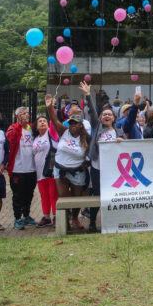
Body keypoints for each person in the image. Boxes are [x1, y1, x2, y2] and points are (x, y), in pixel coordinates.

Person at [83, 82, 137, 232]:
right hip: (98, 168)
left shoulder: (119, 132)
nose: (107, 116)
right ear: (100, 118)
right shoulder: (97, 126)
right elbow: (93, 112)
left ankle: (115, 222)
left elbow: (126, 149)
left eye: (109, 115)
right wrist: (88, 95)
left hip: (115, 171)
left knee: (115, 195)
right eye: (104, 114)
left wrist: (121, 142)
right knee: (98, 195)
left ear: (114, 118)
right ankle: (93, 222)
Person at [45, 94, 90, 230]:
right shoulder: (64, 131)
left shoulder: (86, 137)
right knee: (63, 197)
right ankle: (64, 221)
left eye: (76, 123)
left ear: (81, 125)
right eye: (71, 123)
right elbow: (54, 120)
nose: (73, 125)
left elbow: (94, 151)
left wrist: (86, 164)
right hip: (61, 169)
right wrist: (50, 108)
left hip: (77, 171)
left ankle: (75, 219)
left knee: (76, 198)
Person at [6, 106, 38, 230]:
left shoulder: (31, 128)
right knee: (18, 195)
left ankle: (27, 215)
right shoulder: (13, 128)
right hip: (17, 169)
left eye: (27, 113)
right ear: (17, 116)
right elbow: (10, 139)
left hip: (31, 168)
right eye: (23, 113)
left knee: (29, 194)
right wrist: (19, 125)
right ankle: (17, 218)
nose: (26, 115)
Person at [31, 115, 57, 227]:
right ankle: (46, 217)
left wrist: (51, 107)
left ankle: (56, 216)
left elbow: (54, 122)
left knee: (53, 194)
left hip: (50, 170)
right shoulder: (35, 139)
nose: (42, 123)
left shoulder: (50, 134)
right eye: (40, 121)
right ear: (36, 126)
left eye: (44, 121)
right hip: (39, 172)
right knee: (44, 195)